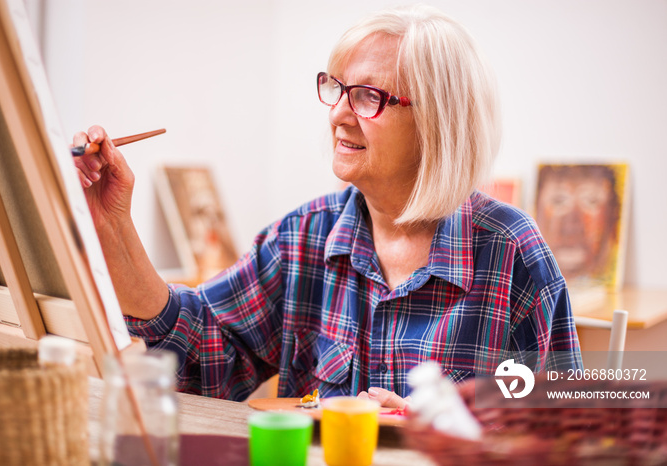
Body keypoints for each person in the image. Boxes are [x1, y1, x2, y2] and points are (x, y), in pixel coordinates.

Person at [74, 4, 582, 408]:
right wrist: (113, 224)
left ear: (437, 122)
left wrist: (447, 429)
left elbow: (571, 430)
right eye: (336, 88)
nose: (338, 113)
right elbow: (206, 350)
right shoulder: (303, 238)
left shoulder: (511, 252)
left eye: (367, 96)